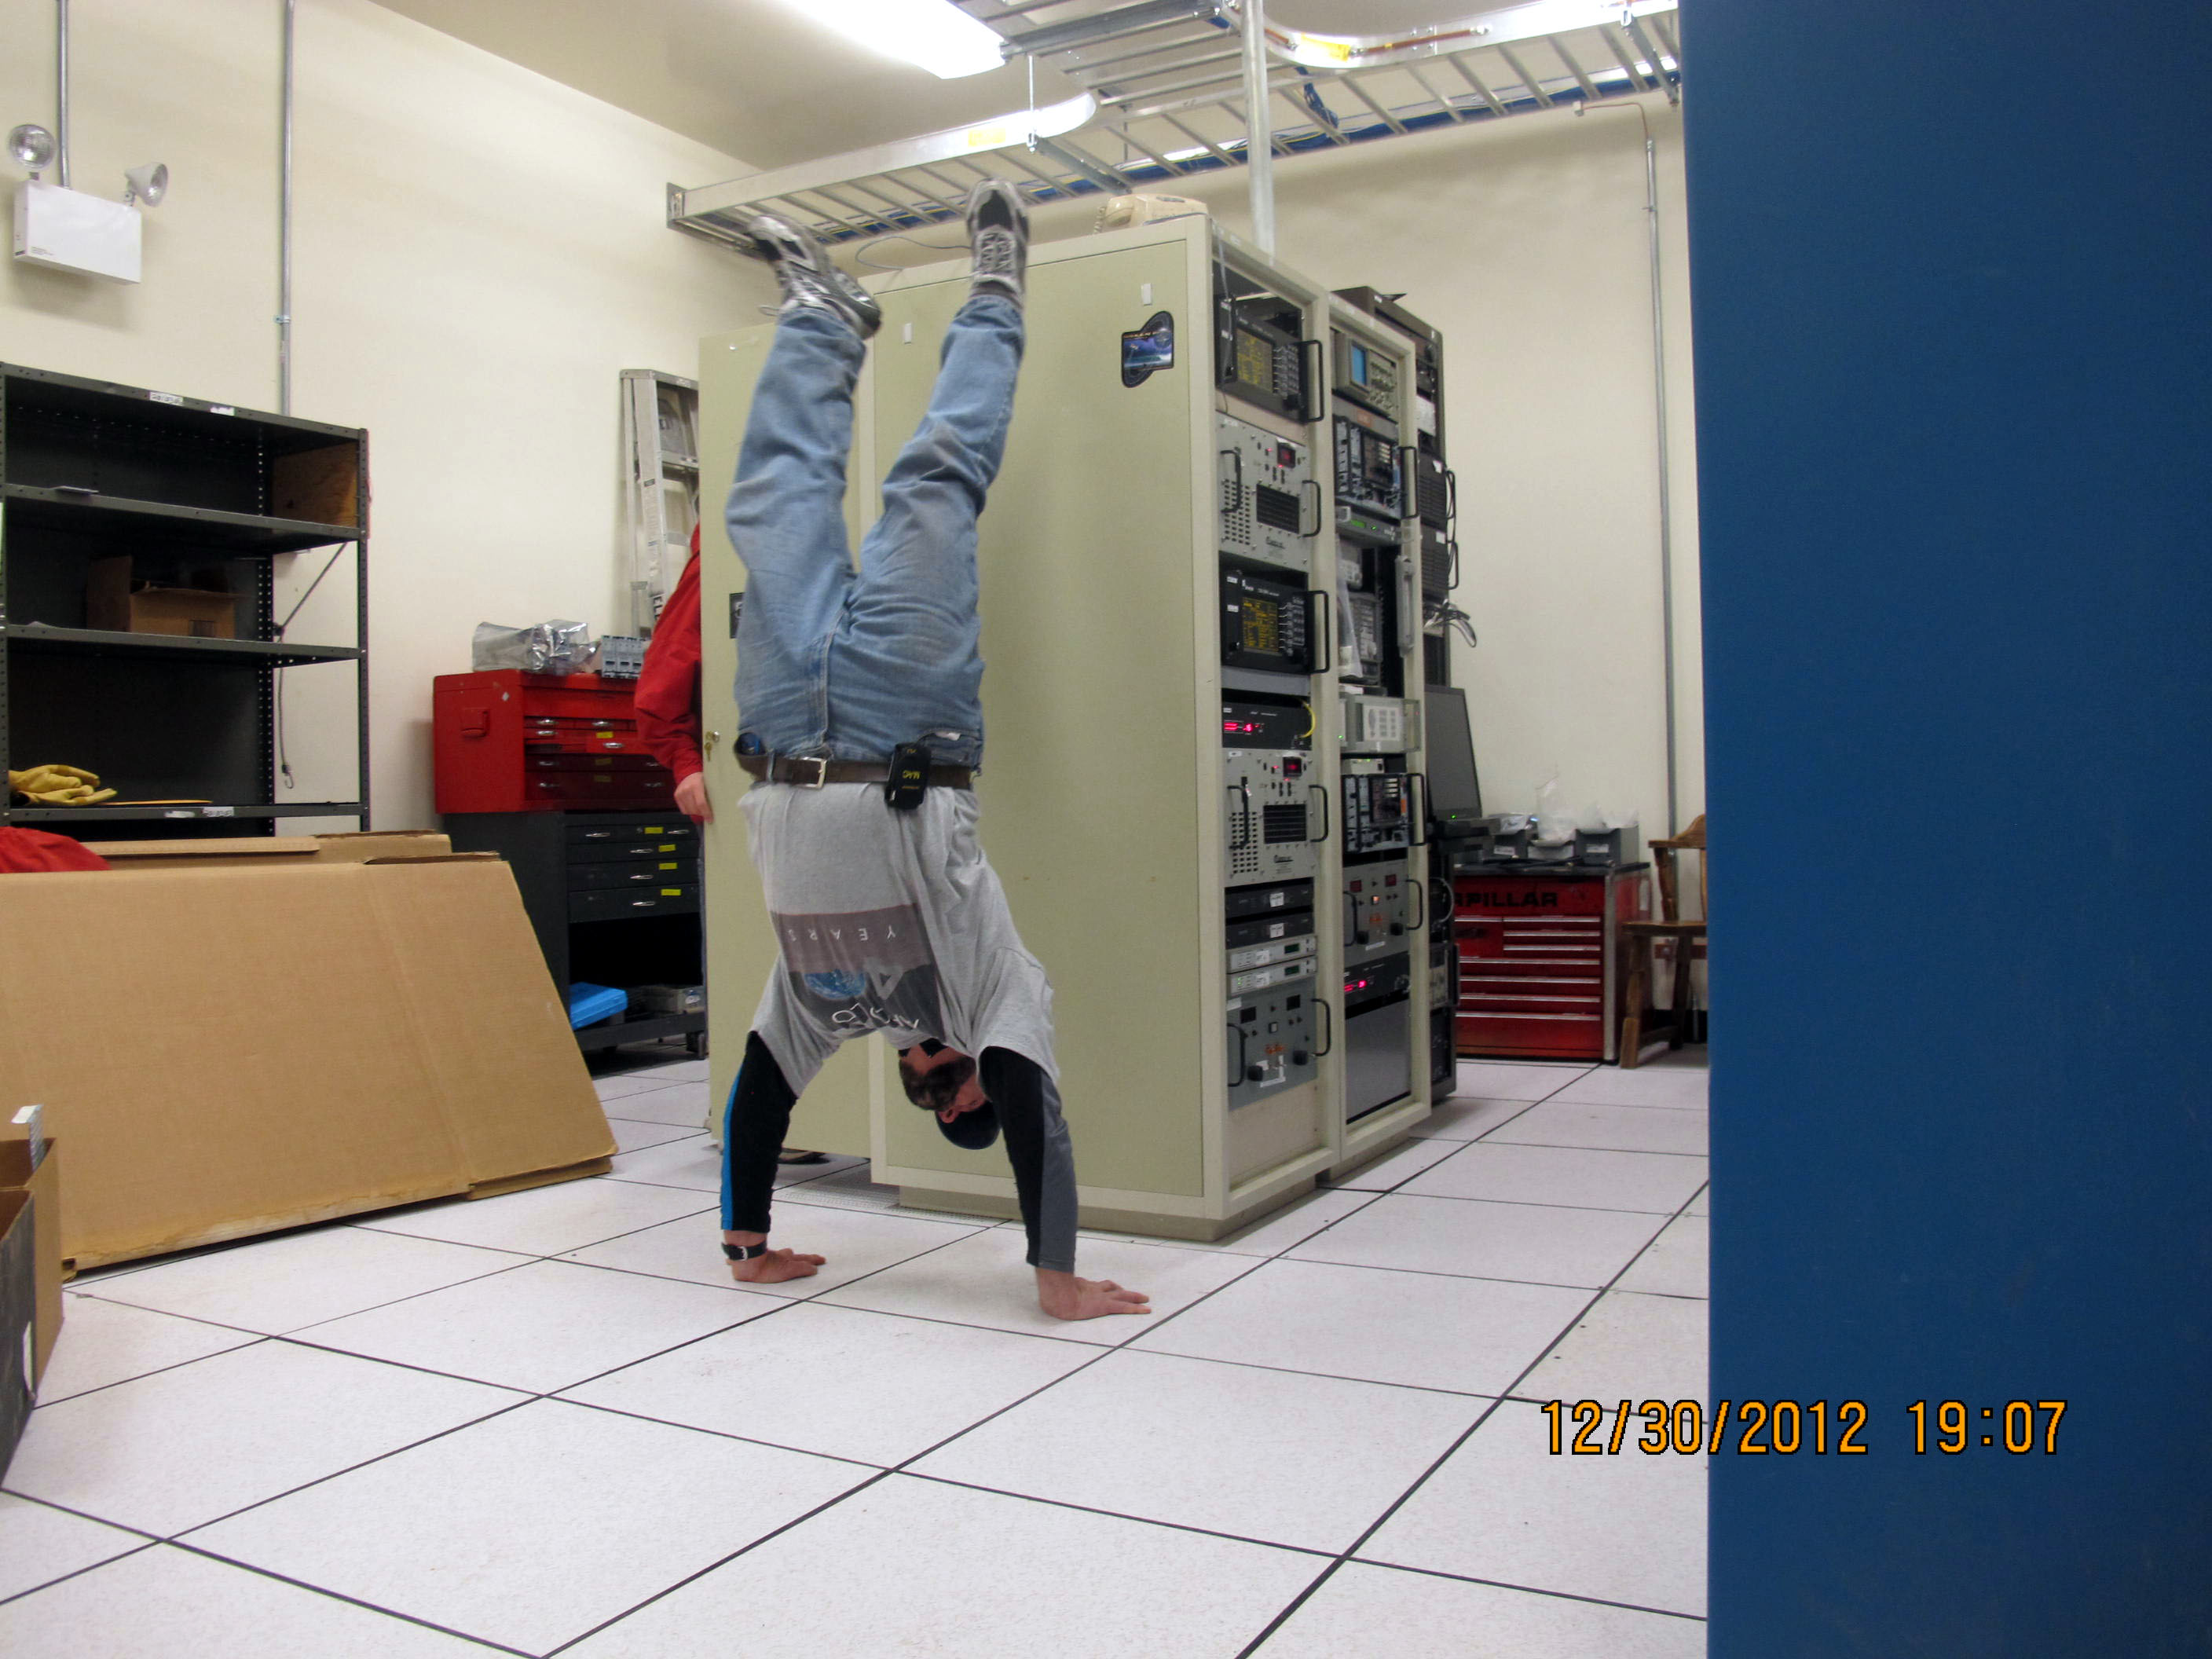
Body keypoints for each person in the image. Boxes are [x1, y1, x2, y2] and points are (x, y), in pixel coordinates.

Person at [713, 181, 1148, 1323]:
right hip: (907, 721)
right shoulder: (986, 981)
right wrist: (1055, 1272)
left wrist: (746, 1244)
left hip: (783, 725)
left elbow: (759, 1098)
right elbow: (1029, 1088)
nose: (949, 1072)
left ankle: (821, 316)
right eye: (963, 1082)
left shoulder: (819, 1007)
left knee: (773, 505)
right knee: (935, 480)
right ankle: (997, 289)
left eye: (936, 1089)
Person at [633, 524, 828, 1164]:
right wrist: (686, 764)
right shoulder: (721, 556)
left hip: (829, 790)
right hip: (748, 790)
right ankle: (764, 1116)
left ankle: (821, 1112)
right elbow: (661, 689)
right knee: (758, 949)